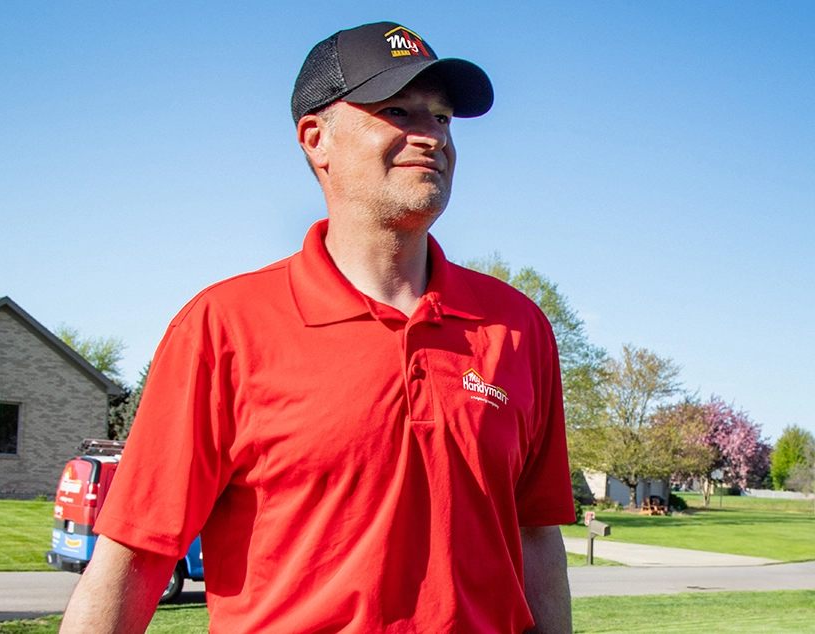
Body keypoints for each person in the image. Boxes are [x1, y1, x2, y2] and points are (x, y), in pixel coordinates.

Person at [59, 22, 575, 634]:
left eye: (442, 117)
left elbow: (535, 538)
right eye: (396, 110)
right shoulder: (224, 327)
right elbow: (135, 554)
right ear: (316, 139)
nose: (432, 135)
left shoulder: (517, 328)